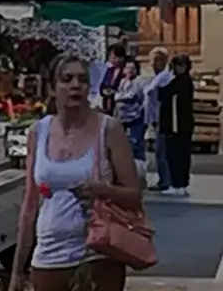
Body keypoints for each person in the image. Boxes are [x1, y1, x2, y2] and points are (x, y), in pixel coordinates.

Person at [10, 53, 144, 291]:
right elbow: (30, 204)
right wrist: (18, 269)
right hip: (49, 253)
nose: (75, 85)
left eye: (82, 80)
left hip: (97, 251)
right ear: (52, 89)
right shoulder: (38, 132)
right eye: (67, 79)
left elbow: (134, 195)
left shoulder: (108, 129)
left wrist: (102, 190)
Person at [157, 54, 196, 197]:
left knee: (177, 156)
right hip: (178, 125)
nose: (179, 69)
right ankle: (179, 183)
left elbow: (163, 93)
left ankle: (178, 183)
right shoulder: (182, 81)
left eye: (181, 66)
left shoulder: (181, 82)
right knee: (177, 155)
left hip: (177, 125)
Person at [144, 47, 172, 190]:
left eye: (158, 60)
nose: (154, 64)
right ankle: (163, 179)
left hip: (161, 118)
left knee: (163, 152)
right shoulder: (156, 77)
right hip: (154, 118)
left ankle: (165, 181)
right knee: (158, 151)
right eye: (153, 60)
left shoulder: (165, 77)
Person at [115, 61, 149, 170]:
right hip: (122, 118)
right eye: (127, 68)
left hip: (136, 117)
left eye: (132, 68)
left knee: (136, 143)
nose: (129, 70)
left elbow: (138, 97)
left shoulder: (140, 82)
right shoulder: (122, 82)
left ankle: (140, 169)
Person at [94, 43, 127, 115]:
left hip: (119, 105)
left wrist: (114, 91)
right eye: (113, 58)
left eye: (118, 57)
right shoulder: (108, 69)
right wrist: (103, 91)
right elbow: (102, 84)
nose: (116, 60)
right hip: (106, 102)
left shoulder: (125, 70)